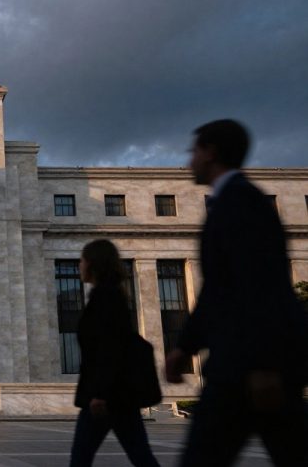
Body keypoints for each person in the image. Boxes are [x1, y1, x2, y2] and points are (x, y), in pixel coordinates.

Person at [166, 119, 308, 466]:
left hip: (248, 366)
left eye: (194, 151)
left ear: (211, 153)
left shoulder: (241, 203)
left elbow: (257, 285)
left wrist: (262, 364)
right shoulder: (236, 200)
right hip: (253, 365)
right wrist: (186, 345)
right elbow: (220, 288)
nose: (189, 162)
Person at [69, 239, 160, 467]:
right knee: (140, 455)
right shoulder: (107, 296)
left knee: (81, 458)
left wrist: (100, 393)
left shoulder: (106, 299)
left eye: (81, 260)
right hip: (117, 396)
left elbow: (110, 349)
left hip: (106, 396)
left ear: (92, 264)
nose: (78, 265)